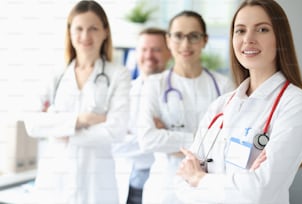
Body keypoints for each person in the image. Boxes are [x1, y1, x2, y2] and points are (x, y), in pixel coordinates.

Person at [175, 1, 302, 204]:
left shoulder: (296, 104)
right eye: (240, 31)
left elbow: (259, 192)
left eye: (262, 29)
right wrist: (239, 185)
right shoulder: (219, 106)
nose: (248, 39)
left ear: (280, 38)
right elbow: (181, 185)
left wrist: (199, 178)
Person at [24, 1, 130, 203]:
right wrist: (82, 120)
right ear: (70, 32)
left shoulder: (118, 75)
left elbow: (116, 129)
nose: (85, 36)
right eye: (79, 28)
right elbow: (32, 123)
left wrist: (60, 131)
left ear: (105, 32)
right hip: (55, 182)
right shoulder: (55, 74)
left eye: (93, 28)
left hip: (97, 183)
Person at [137, 11, 235, 204]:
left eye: (194, 36)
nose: (185, 44)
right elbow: (147, 140)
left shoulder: (224, 87)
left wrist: (168, 137)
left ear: (204, 40)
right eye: (178, 35)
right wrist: (206, 141)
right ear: (168, 39)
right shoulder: (154, 84)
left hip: (208, 190)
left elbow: (229, 143)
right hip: (164, 191)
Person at [112, 27, 171, 204]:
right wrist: (158, 136)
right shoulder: (123, 92)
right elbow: (112, 143)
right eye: (144, 49)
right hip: (124, 179)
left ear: (169, 52)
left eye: (157, 49)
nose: (149, 55)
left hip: (164, 180)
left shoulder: (177, 94)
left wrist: (134, 136)